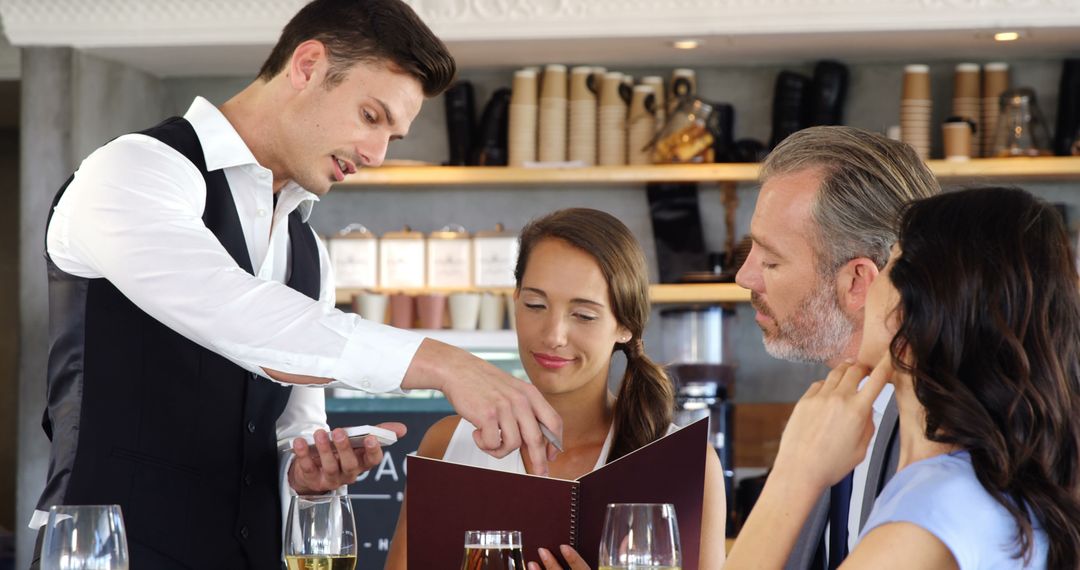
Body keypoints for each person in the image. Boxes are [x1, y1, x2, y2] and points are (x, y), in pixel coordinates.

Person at [31, 1, 561, 568]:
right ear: (307, 65)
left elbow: (293, 428)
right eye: (370, 115)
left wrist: (307, 476)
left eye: (393, 137)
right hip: (108, 555)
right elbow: (235, 312)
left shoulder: (309, 250)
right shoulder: (133, 170)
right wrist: (445, 364)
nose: (376, 155)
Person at [727, 186, 1080, 568]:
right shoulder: (993, 489)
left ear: (915, 316)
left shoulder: (926, 521)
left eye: (892, 264)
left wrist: (795, 475)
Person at [384, 208, 727, 570]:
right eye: (535, 305)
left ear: (625, 325)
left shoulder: (689, 466)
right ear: (515, 301)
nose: (553, 336)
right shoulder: (448, 445)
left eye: (583, 315)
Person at [733, 125, 939, 568]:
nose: (745, 277)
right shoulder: (830, 410)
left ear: (858, 282)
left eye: (770, 260)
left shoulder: (941, 441)